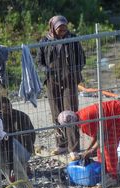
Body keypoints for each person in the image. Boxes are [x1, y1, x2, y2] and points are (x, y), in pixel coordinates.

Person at [37, 15, 86, 160]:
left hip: (70, 80)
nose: (63, 30)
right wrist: (46, 70)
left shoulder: (73, 39)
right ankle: (61, 144)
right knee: (56, 113)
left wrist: (74, 70)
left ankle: (74, 148)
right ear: (53, 27)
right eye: (60, 28)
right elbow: (39, 61)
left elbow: (82, 59)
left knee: (70, 114)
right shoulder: (45, 41)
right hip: (52, 81)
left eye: (64, 28)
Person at [58, 100, 120, 186]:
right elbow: (97, 135)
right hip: (117, 110)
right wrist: (88, 149)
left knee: (109, 145)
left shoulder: (85, 123)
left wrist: (91, 150)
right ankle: (103, 171)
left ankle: (112, 177)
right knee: (100, 148)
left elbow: (101, 137)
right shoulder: (80, 116)